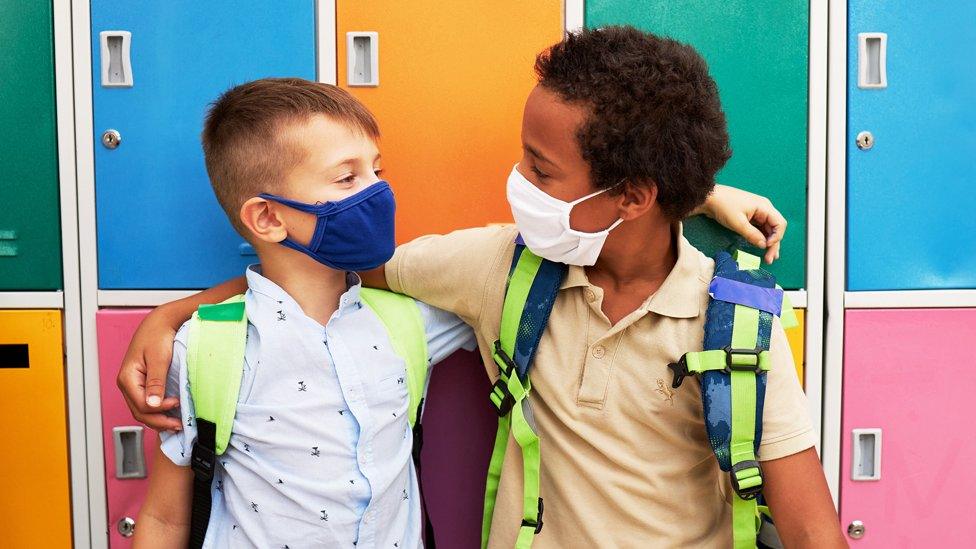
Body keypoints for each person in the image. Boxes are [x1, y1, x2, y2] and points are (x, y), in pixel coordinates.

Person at [123, 27, 844, 547]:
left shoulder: (736, 326)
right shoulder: (499, 267)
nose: (517, 185)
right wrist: (176, 314)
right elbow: (325, 265)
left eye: (540, 169)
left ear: (632, 196)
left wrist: (696, 193)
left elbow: (810, 523)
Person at [133, 78, 475, 548]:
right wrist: (170, 319)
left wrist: (166, 311)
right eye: (347, 178)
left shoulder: (412, 323)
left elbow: (504, 276)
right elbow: (166, 519)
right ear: (269, 218)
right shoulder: (203, 348)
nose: (378, 192)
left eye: (377, 170)